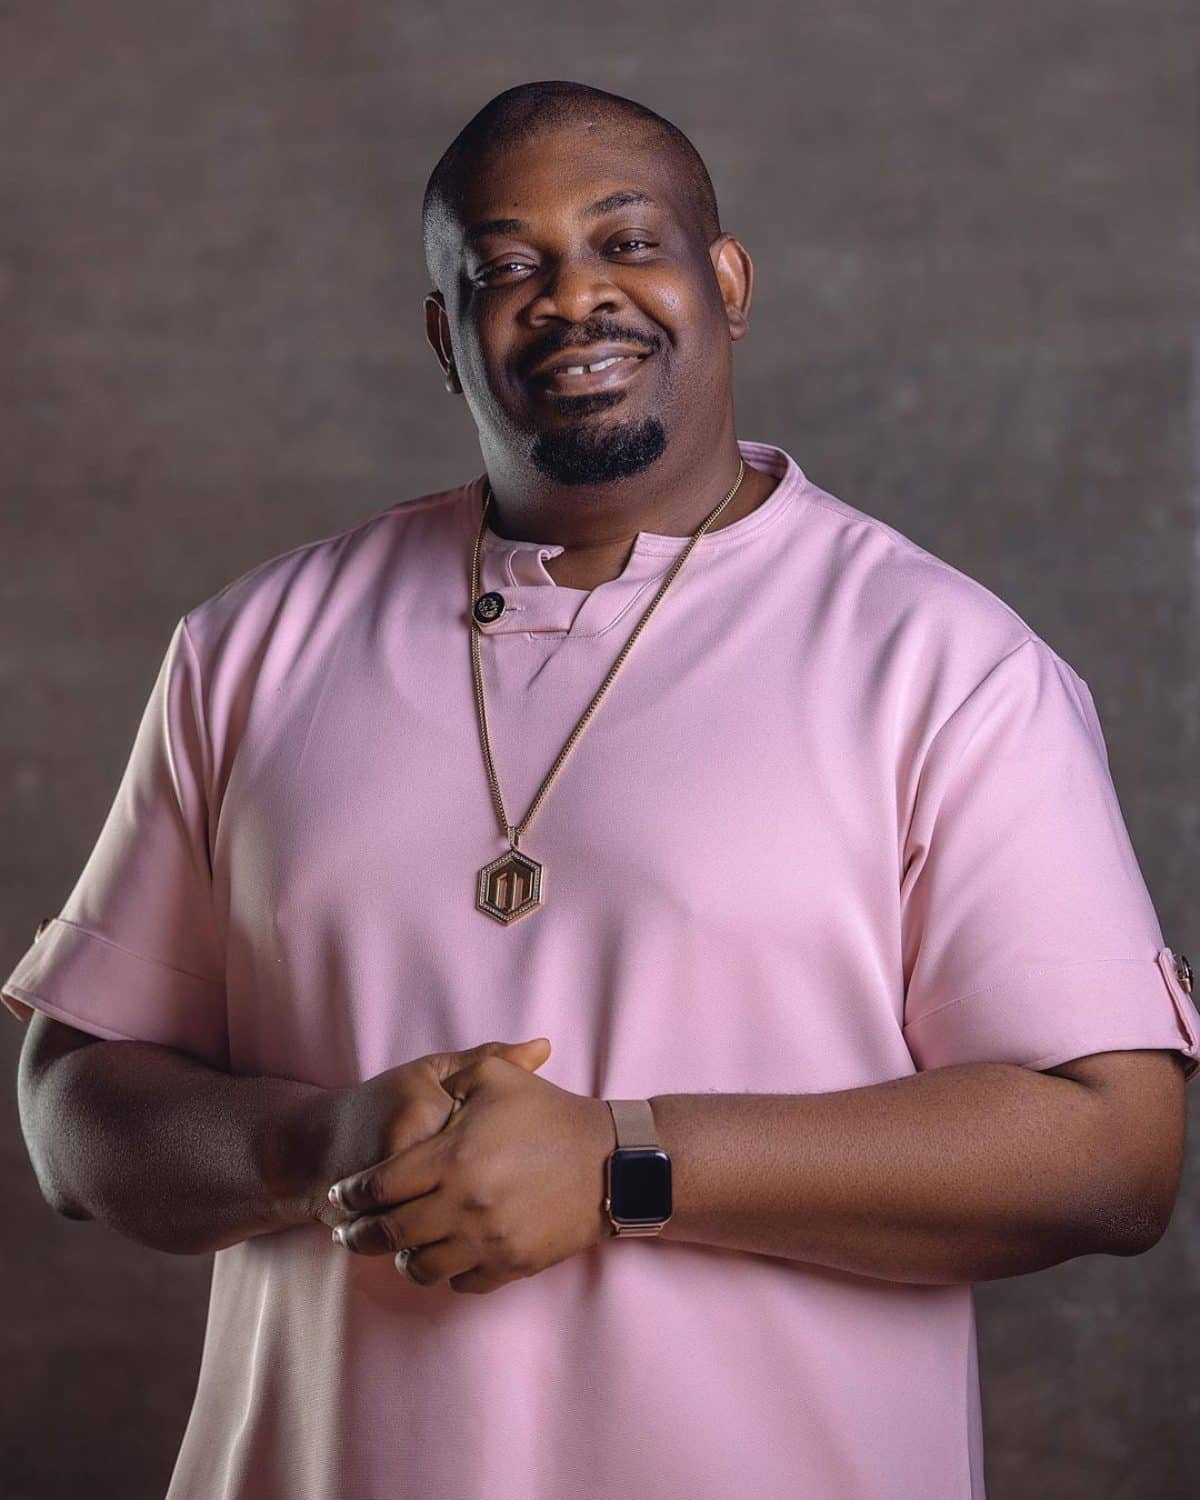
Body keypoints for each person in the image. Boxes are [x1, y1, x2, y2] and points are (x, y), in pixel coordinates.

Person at [6, 78, 1199, 1500]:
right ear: (446, 338)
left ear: (727, 284)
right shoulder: (250, 648)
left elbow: (1115, 1147)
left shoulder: (947, 664)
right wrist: (309, 1145)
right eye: (508, 266)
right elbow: (72, 1107)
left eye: (627, 243)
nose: (574, 296)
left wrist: (623, 1164)